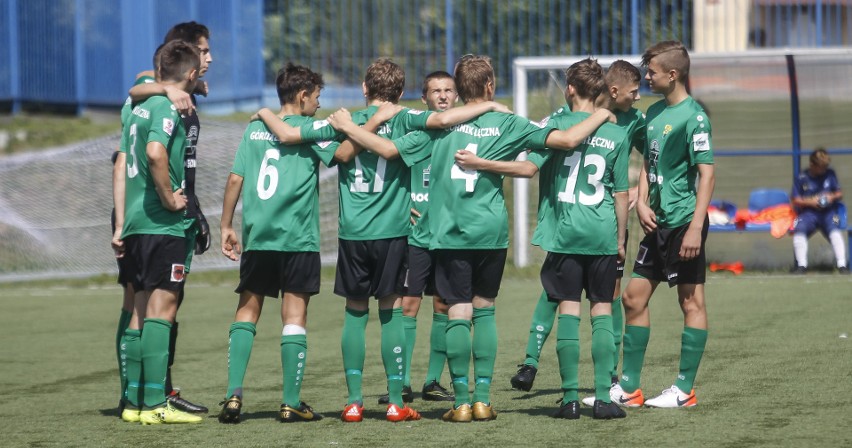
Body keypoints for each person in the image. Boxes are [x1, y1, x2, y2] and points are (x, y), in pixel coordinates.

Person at [326, 54, 615, 422]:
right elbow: (568, 139)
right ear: (491, 86)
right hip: (490, 232)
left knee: (457, 311)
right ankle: (482, 399)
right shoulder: (509, 122)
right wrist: (602, 114)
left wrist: (357, 125)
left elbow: (386, 150)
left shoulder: (440, 128)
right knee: (485, 309)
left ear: (458, 91)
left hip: (449, 233)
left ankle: (460, 401)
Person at [257, 58, 508, 423]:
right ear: (403, 91)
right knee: (390, 313)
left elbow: (290, 135)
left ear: (363, 88)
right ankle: (394, 401)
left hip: (352, 234)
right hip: (392, 233)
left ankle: (354, 402)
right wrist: (487, 104)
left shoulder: (342, 121)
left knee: (355, 314)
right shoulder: (406, 119)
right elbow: (441, 120)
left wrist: (264, 113)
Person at [217, 63, 368, 424]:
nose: (319, 104)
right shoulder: (311, 128)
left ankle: (233, 395)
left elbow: (236, 178)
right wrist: (363, 130)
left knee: (247, 310)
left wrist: (225, 225)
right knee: (295, 315)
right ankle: (290, 401)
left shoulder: (255, 128)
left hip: (258, 237)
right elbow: (343, 156)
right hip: (297, 238)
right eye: (317, 97)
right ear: (302, 96)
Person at [509, 60, 645, 396]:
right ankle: (537, 363)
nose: (639, 97)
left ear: (571, 87)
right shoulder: (599, 125)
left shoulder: (627, 122)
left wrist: (643, 192)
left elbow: (658, 158)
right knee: (586, 299)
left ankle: (592, 381)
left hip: (573, 226)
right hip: (604, 227)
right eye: (634, 92)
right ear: (608, 90)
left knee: (578, 297)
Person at [115, 21, 214, 416]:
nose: (209, 59)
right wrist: (172, 201)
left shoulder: (147, 105)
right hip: (160, 218)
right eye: (204, 52)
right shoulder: (158, 97)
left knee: (141, 309)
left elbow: (127, 157)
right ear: (186, 57)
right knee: (159, 311)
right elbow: (155, 152)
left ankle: (136, 400)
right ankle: (155, 399)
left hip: (138, 218)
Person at [613, 40, 715, 409]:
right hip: (656, 224)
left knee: (691, 300)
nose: (647, 77)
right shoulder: (653, 114)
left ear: (673, 75)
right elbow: (648, 163)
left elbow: (707, 174)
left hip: (685, 222)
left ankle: (684, 390)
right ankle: (629, 388)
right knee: (633, 297)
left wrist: (695, 226)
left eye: (652, 72)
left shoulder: (694, 116)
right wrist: (640, 200)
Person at [376, 71, 459, 405]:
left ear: (457, 97)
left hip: (450, 235)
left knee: (443, 304)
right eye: (435, 91)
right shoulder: (416, 134)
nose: (442, 96)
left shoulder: (463, 137)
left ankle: (433, 381)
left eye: (448, 90)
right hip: (416, 236)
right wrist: (403, 204)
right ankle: (404, 381)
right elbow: (393, 169)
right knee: (408, 304)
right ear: (424, 99)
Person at [791, 148, 848, 274]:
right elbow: (795, 199)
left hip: (828, 212)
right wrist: (810, 202)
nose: (824, 169)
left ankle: (842, 265)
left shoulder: (830, 174)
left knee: (835, 230)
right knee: (799, 230)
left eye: (826, 166)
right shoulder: (801, 177)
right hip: (809, 213)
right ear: (812, 165)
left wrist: (831, 197)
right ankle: (801, 266)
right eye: (822, 167)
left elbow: (839, 193)